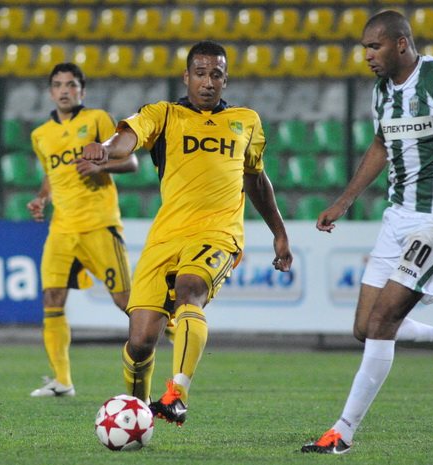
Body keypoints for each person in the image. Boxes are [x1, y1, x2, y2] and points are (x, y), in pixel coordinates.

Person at [302, 10, 433, 454]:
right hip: (397, 218)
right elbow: (381, 144)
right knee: (365, 327)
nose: (367, 56)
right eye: (365, 48)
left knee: (383, 321)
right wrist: (345, 200)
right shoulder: (382, 91)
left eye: (374, 46)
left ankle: (342, 432)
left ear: (401, 44)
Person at [83, 40, 293, 425]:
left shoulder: (246, 120)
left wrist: (278, 232)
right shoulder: (163, 114)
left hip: (219, 233)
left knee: (190, 290)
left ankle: (176, 394)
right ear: (186, 76)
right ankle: (139, 415)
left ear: (225, 80)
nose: (208, 82)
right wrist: (105, 148)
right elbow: (127, 138)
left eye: (216, 75)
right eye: (200, 74)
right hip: (166, 236)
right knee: (140, 341)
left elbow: (255, 178)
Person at [27, 63, 139, 398]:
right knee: (52, 298)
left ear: (82, 90)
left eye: (71, 84)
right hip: (62, 229)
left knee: (125, 300)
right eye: (58, 85)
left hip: (98, 224)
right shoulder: (40, 135)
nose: (65, 90)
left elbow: (131, 161)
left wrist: (100, 166)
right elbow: (51, 174)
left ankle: (178, 333)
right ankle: (62, 381)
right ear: (51, 92)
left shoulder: (98, 119)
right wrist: (42, 198)